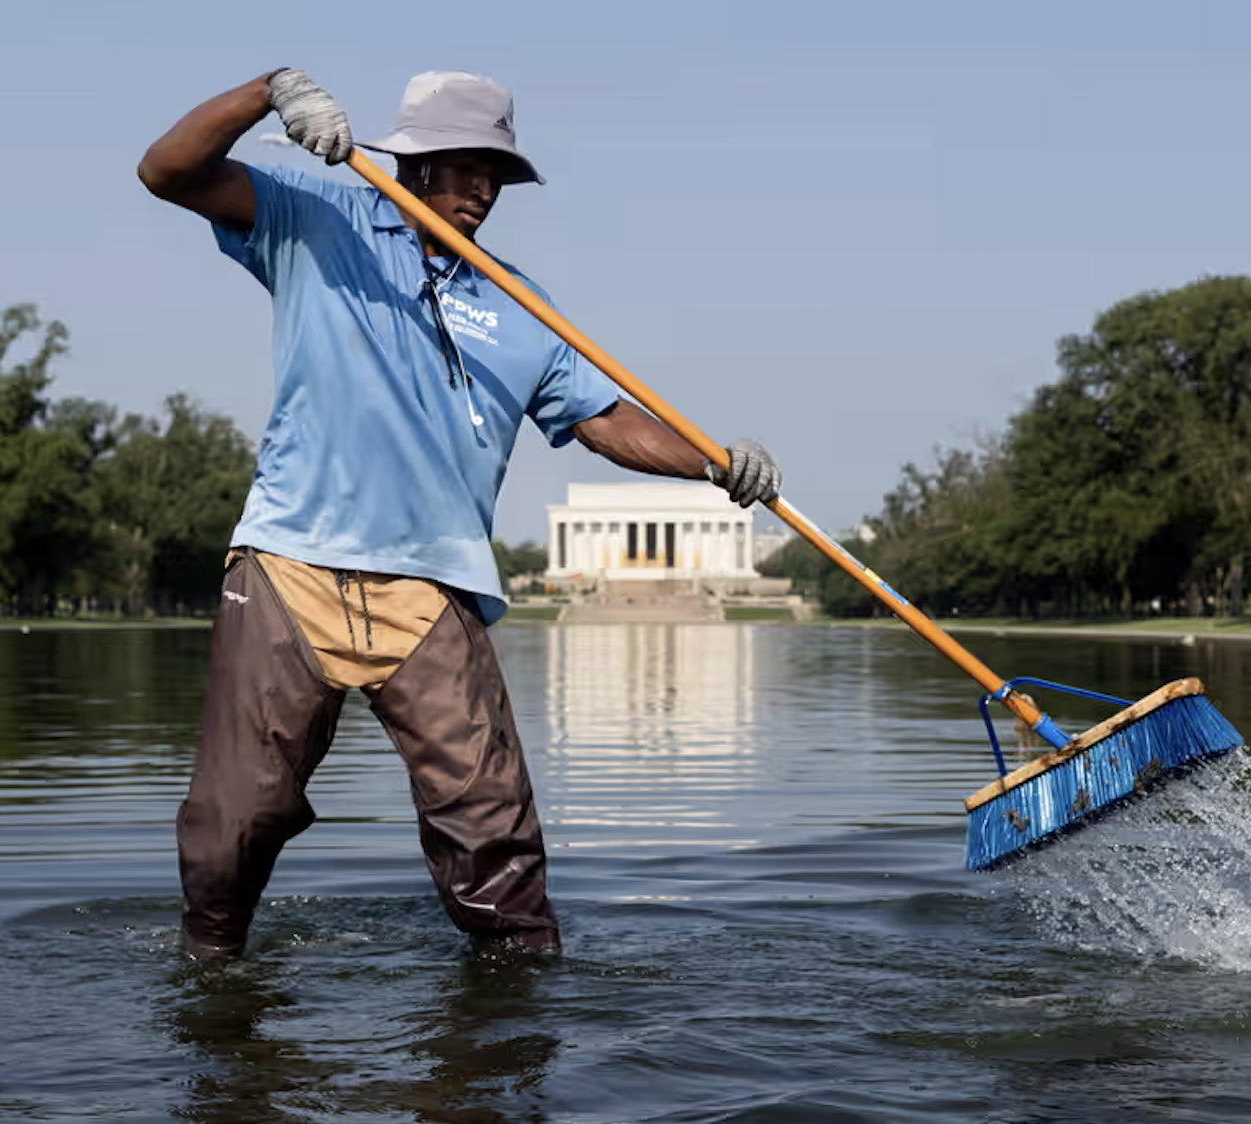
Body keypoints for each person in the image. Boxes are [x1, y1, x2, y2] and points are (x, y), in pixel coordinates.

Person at [138, 68, 782, 960]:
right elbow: (166, 171)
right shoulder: (315, 220)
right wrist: (269, 93)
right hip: (292, 564)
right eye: (464, 167)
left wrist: (712, 461)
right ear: (411, 162)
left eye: (496, 174)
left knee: (491, 825)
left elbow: (605, 420)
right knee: (233, 821)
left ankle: (517, 1000)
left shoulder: (519, 302)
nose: (482, 189)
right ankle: (210, 970)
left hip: (434, 587)